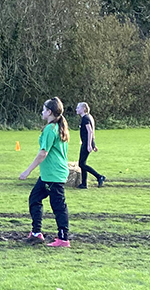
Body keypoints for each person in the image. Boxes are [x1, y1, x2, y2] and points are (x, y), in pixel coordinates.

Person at [20, 97, 71, 247]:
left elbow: (43, 153)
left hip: (54, 175)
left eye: (43, 109)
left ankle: (63, 238)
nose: (41, 112)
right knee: (34, 198)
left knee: (58, 206)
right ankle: (36, 233)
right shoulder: (57, 127)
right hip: (49, 175)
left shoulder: (51, 129)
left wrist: (27, 171)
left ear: (49, 112)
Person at [75, 102, 105, 188]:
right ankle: (84, 184)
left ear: (84, 108)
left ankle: (99, 177)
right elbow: (92, 132)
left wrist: (89, 145)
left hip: (86, 143)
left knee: (81, 164)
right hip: (87, 142)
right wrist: (93, 144)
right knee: (82, 163)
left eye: (78, 108)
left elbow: (90, 131)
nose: (76, 109)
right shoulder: (89, 117)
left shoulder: (85, 118)